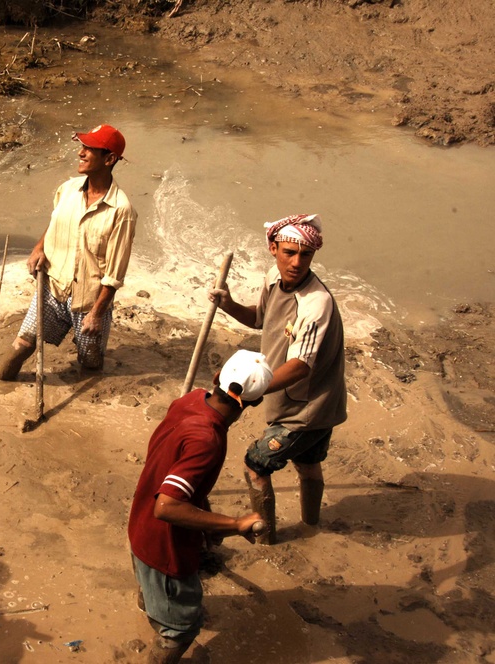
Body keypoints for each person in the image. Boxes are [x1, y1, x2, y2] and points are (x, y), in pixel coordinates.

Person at [208, 213, 347, 545]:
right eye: (289, 252)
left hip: (307, 409)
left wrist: (249, 387)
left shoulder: (316, 304)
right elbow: (260, 319)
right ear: (273, 248)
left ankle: (266, 539)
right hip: (294, 399)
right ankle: (312, 526)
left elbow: (301, 366)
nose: (297, 262)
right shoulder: (273, 278)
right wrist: (228, 305)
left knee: (256, 465)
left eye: (306, 255)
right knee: (307, 464)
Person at [128, 350, 272, 663]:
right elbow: (166, 507)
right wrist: (234, 524)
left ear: (218, 378)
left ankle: (152, 606)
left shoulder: (190, 401)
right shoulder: (207, 438)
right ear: (255, 403)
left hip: (139, 524)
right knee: (182, 628)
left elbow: (178, 479)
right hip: (165, 547)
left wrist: (208, 522)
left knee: (150, 585)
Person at [0, 124, 137, 380]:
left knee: (90, 363)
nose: (80, 153)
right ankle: (0, 383)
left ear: (109, 159)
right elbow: (56, 223)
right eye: (82, 147)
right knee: (21, 346)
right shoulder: (68, 189)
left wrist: (96, 314)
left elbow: (114, 274)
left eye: (89, 149)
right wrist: (39, 248)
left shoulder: (121, 211)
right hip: (52, 288)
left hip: (89, 300)